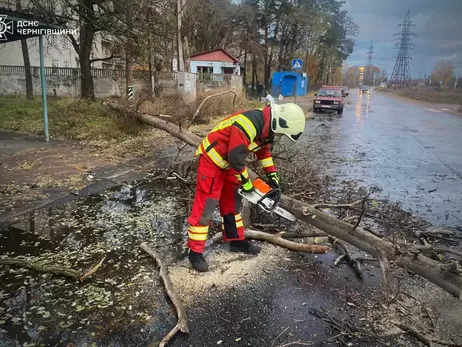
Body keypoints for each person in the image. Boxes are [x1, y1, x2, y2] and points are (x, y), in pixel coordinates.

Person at [186, 101, 306, 272]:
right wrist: (247, 184)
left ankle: (236, 241)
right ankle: (195, 252)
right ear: (280, 122)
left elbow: (263, 152)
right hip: (213, 161)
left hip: (228, 163)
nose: (279, 136)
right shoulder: (248, 125)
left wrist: (272, 174)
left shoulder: (266, 127)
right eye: (281, 133)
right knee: (207, 206)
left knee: (232, 204)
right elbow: (236, 158)